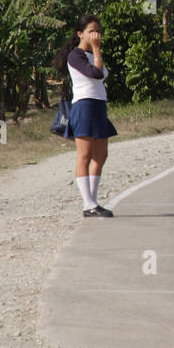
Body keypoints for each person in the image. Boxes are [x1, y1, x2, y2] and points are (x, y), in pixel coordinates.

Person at [53, 14, 117, 218]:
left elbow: (102, 73)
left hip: (99, 105)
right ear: (80, 34)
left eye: (98, 30)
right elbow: (96, 74)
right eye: (91, 31)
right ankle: (88, 204)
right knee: (85, 155)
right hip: (84, 106)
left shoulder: (92, 54)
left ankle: (93, 201)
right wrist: (97, 49)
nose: (96, 34)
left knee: (101, 155)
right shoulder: (76, 55)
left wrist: (96, 52)